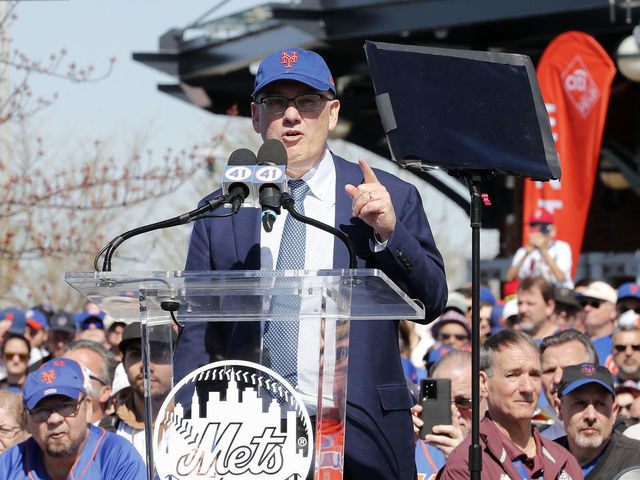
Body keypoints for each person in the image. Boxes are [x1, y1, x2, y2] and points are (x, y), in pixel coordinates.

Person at [174, 47, 448, 480]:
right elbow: (197, 333)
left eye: (307, 102)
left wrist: (390, 233)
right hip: (246, 437)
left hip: (359, 435)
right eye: (275, 102)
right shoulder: (222, 211)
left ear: (332, 112)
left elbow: (432, 301)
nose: (291, 115)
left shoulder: (385, 195)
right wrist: (188, 425)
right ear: (255, 116)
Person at [437, 329, 582, 480]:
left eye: (534, 375)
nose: (527, 387)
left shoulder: (564, 460)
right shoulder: (466, 464)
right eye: (513, 375)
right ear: (483, 383)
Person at [0, 357, 146, 478]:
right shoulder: (9, 464)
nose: (54, 419)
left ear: (87, 408)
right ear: (25, 421)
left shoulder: (117, 457)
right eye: (41, 410)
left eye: (66, 407)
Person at [99, 322, 174, 463]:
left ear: (175, 359)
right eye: (135, 354)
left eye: (157, 354)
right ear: (123, 363)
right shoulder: (105, 432)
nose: (145, 365)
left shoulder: (200, 424)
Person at [555, 363, 640, 479]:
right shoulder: (542, 458)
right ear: (559, 409)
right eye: (580, 404)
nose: (591, 416)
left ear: (614, 412)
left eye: (600, 404)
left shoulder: (636, 459)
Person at [412, 350, 482, 479]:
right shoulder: (412, 443)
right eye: (443, 402)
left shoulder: (497, 452)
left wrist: (461, 463)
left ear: (483, 399)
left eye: (463, 402)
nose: (453, 412)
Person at [539, 329, 599, 439]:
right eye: (549, 371)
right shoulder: (528, 436)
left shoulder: (622, 432)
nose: (557, 379)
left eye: (567, 369)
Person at [506, 208, 574, 288]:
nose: (538, 231)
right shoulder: (523, 251)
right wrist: (525, 255)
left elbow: (560, 277)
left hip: (558, 294)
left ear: (552, 229)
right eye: (533, 227)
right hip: (533, 296)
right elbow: (509, 278)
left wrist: (543, 250)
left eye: (543, 228)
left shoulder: (561, 247)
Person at [62, 339, 117, 425]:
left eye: (79, 373)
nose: (66, 379)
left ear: (105, 392)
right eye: (60, 373)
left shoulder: (116, 436)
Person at [579, 281, 618, 366]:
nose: (587, 308)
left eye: (595, 303)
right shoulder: (574, 342)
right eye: (583, 303)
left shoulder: (622, 345)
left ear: (613, 311)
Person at [516, 276, 558, 342]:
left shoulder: (564, 343)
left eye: (530, 303)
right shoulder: (515, 341)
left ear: (549, 306)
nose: (522, 310)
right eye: (520, 303)